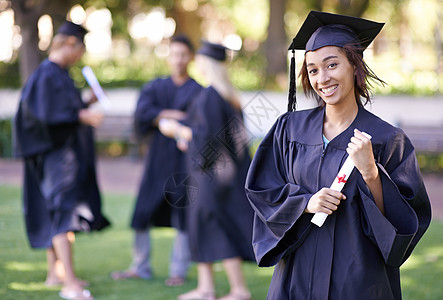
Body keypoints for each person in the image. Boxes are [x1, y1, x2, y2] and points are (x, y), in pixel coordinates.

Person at [245, 10, 432, 299]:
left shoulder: (387, 139)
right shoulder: (289, 129)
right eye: (313, 69)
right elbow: (261, 191)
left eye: (332, 65)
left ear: (354, 67)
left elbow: (405, 224)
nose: (322, 78)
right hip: (296, 275)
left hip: (357, 280)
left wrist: (371, 174)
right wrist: (305, 203)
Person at [13, 21, 110, 300]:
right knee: (62, 213)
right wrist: (82, 115)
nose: (80, 55)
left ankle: (55, 274)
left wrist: (84, 104)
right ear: (69, 43)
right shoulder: (47, 74)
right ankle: (69, 284)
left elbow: (60, 109)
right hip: (56, 156)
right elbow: (45, 114)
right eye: (80, 49)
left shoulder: (59, 74)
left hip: (59, 154)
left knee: (56, 211)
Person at [161, 41, 254, 300]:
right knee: (202, 226)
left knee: (215, 226)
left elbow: (208, 138)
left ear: (208, 64)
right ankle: (206, 288)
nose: (196, 64)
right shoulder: (228, 96)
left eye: (200, 60)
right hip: (221, 172)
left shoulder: (211, 95)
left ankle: (239, 290)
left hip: (211, 175)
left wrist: (177, 130)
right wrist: (188, 137)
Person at [110, 35, 202, 286]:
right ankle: (140, 266)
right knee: (142, 212)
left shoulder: (198, 90)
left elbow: (200, 122)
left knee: (183, 215)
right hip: (157, 159)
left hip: (184, 162)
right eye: (174, 54)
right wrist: (170, 114)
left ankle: (178, 271)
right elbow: (142, 113)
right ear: (168, 56)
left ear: (190, 57)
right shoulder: (155, 87)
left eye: (183, 54)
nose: (178, 60)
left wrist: (163, 118)